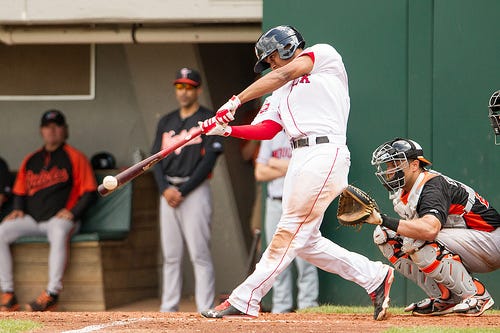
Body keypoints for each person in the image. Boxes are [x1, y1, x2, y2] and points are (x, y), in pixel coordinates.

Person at [198, 25, 394, 321]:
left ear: (287, 46)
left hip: (325, 151)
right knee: (305, 242)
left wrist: (236, 101)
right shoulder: (278, 91)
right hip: (299, 155)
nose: (270, 64)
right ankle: (374, 277)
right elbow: (267, 129)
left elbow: (285, 73)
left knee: (288, 229)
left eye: (271, 57)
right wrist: (227, 129)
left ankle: (246, 298)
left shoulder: (323, 56)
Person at [368, 137, 499, 316]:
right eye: (389, 165)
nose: (390, 170)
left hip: (490, 240)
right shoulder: (404, 191)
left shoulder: (432, 184)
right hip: (470, 241)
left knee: (417, 237)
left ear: (414, 165)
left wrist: (382, 219)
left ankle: (477, 295)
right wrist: (384, 224)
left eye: (395, 164)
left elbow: (429, 230)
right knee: (384, 235)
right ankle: (446, 298)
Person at [0, 109, 97, 312]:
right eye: (47, 126)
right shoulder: (31, 159)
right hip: (33, 219)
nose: (52, 130)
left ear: (65, 130)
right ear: (41, 131)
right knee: (2, 231)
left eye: (56, 126)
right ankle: (8, 293)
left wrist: (73, 212)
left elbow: (90, 191)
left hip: (61, 219)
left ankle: (52, 293)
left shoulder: (75, 157)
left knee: (59, 230)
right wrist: (18, 209)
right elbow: (19, 190)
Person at [151, 67, 223, 313]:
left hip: (195, 191)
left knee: (199, 254)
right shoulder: (166, 121)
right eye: (179, 87)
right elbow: (155, 159)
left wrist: (183, 190)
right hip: (168, 191)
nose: (183, 92)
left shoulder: (208, 119)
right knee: (170, 255)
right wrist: (164, 190)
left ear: (198, 90)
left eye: (189, 87)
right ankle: (168, 307)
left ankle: (205, 308)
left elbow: (209, 161)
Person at [255, 129, 319, 313]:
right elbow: (260, 173)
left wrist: (274, 163)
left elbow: (309, 169)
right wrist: (291, 166)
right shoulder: (271, 135)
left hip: (301, 203)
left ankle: (308, 307)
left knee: (305, 258)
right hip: (275, 202)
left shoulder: (305, 132)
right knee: (277, 259)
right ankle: (280, 308)